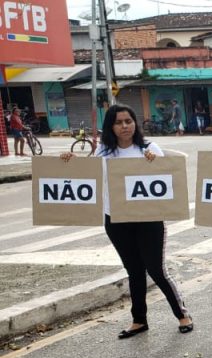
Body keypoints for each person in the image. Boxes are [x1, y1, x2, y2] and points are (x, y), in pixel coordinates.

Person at [59, 104, 193, 338]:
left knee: (156, 270)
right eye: (119, 122)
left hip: (148, 220)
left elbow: (174, 171)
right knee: (134, 271)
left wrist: (155, 162)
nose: (124, 126)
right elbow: (85, 175)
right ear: (110, 126)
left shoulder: (149, 149)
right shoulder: (103, 152)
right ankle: (139, 320)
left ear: (135, 124)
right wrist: (69, 161)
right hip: (116, 220)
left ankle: (182, 314)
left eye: (128, 121)